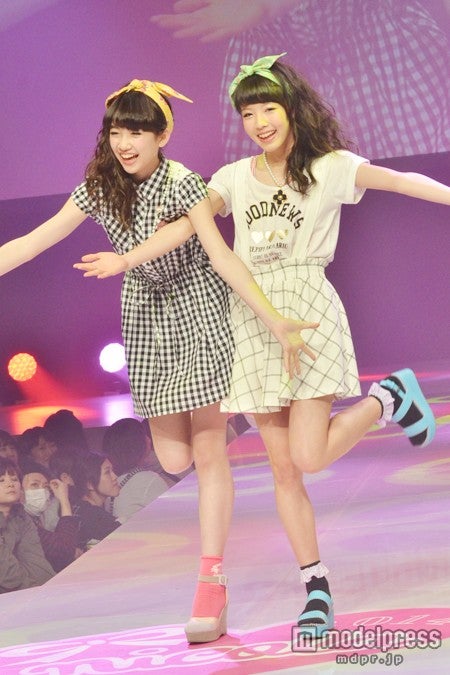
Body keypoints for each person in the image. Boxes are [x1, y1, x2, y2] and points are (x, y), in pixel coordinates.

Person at [78, 55, 449, 640]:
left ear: (292, 108)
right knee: (283, 468)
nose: (259, 123)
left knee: (309, 455)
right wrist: (128, 259)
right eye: (248, 114)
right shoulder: (231, 177)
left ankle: (387, 398)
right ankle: (316, 587)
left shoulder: (331, 166)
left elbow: (403, 182)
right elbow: (187, 226)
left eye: (268, 109)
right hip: (251, 320)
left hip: (308, 311)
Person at [0, 77, 314, 643]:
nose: (125, 143)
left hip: (200, 309)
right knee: (172, 457)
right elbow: (36, 240)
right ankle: (220, 431)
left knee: (208, 450)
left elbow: (221, 256)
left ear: (162, 135)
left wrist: (273, 321)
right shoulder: (99, 187)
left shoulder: (183, 182)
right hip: (147, 319)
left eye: (137, 132)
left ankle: (211, 581)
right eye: (117, 132)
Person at [0, 457, 55, 593]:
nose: (10, 484)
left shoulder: (21, 516)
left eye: (14, 479)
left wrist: (50, 591)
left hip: (26, 593)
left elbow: (36, 561)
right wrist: (39, 593)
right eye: (1, 480)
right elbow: (7, 574)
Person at [102, 417, 171, 522]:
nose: (148, 439)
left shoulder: (111, 484)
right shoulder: (149, 480)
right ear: (139, 444)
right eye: (144, 435)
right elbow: (172, 518)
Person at [21, 460, 80, 572]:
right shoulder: (21, 522)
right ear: (19, 490)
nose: (42, 491)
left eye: (46, 487)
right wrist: (64, 500)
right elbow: (64, 550)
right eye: (35, 485)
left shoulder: (38, 518)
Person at [71, 452, 121, 551]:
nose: (115, 476)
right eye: (107, 472)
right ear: (89, 484)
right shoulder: (97, 519)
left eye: (113, 470)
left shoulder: (77, 508)